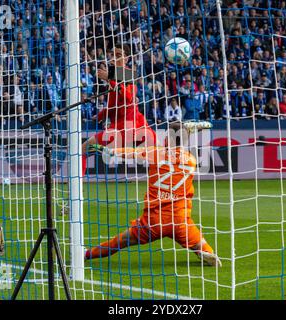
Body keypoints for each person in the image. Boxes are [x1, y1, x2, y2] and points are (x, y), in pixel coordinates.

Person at [84, 121, 221, 267]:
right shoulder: (191, 160)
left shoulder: (155, 153)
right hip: (180, 221)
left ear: (168, 138)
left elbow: (131, 152)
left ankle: (86, 254)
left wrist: (109, 151)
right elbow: (178, 149)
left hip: (153, 222)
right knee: (203, 246)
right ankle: (204, 252)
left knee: (120, 241)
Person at [81, 44, 157, 173]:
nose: (114, 58)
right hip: (132, 126)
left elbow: (128, 98)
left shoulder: (128, 75)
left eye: (118, 55)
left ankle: (111, 152)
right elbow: (114, 106)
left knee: (82, 149)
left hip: (127, 127)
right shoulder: (119, 76)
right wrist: (100, 116)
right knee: (155, 156)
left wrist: (109, 79)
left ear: (126, 59)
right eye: (112, 55)